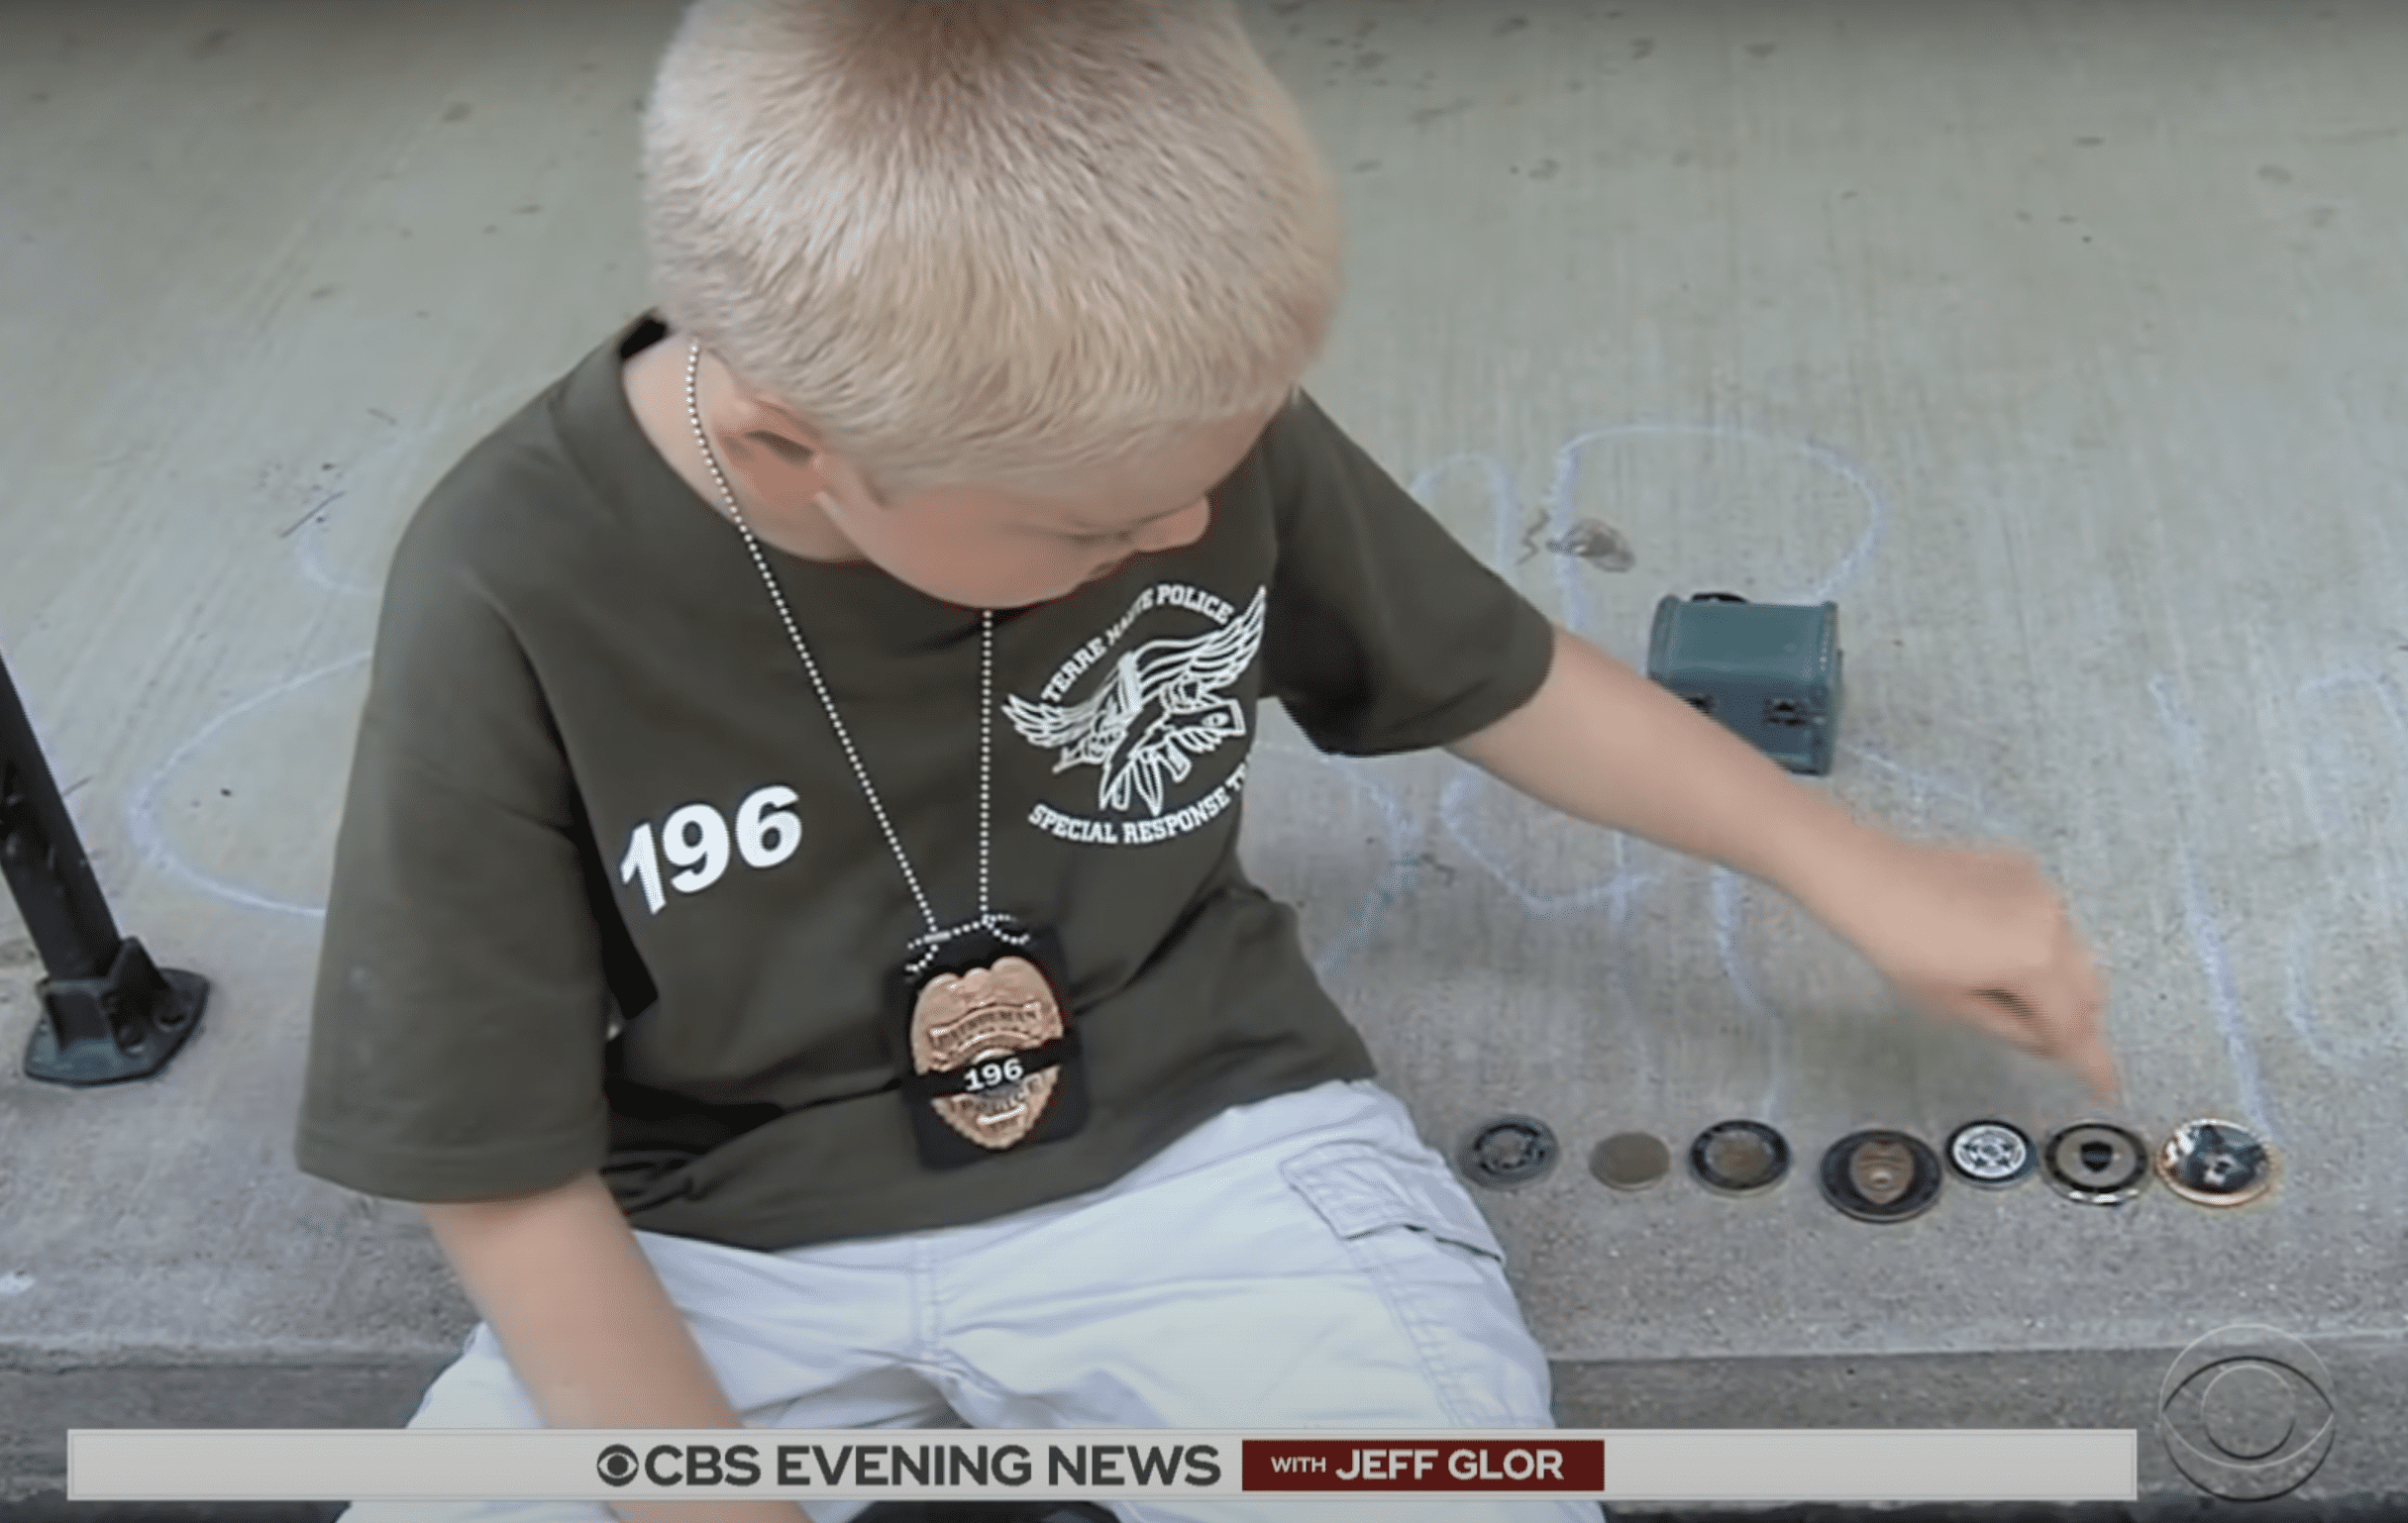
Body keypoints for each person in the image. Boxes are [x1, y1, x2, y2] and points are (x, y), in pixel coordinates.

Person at [296, 3, 2118, 1521]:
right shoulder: (510, 582)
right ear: (794, 448)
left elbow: (1490, 676)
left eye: (1213, 475)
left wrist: (1849, 865)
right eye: (1096, 527)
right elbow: (495, 1162)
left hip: (1202, 1142)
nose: (1184, 526)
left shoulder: (1149, 427)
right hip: (704, 1233)